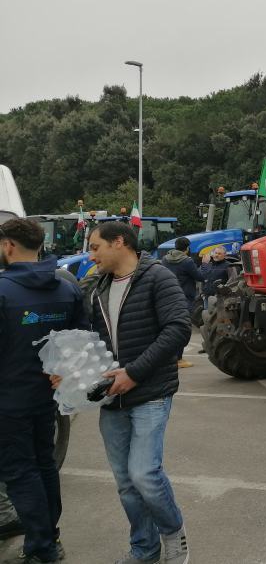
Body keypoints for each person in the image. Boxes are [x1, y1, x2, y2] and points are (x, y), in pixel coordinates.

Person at [86, 221, 192, 564]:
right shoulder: (97, 286)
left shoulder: (158, 277)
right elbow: (90, 339)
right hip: (111, 397)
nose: (91, 255)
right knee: (125, 483)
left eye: (95, 247)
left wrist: (133, 373)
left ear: (119, 242)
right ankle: (144, 550)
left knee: (144, 474)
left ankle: (174, 536)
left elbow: (178, 329)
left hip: (150, 391)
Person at [0, 218, 87, 563]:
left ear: (8, 245)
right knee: (44, 466)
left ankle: (42, 548)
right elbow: (82, 341)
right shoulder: (66, 288)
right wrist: (62, 372)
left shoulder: (3, 291)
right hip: (46, 397)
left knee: (21, 473)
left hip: (8, 400)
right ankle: (50, 537)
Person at [161, 237, 203, 368]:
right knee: (182, 329)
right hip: (184, 298)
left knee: (169, 329)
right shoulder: (187, 261)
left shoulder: (165, 259)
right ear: (187, 248)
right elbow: (199, 277)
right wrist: (205, 265)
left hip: (167, 297)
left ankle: (169, 357)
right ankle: (178, 359)